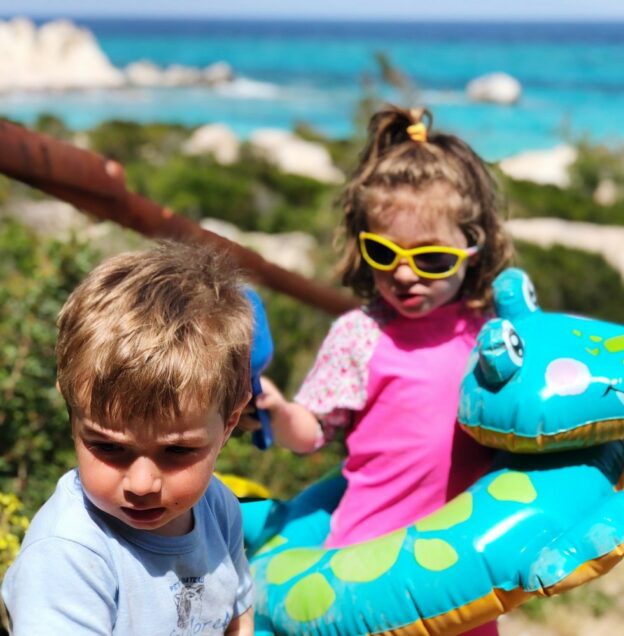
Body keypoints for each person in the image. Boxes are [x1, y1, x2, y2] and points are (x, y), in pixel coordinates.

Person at [245, 106, 511, 635]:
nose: (405, 273)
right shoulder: (360, 335)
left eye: (431, 258)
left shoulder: (494, 331)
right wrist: (279, 411)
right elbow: (311, 433)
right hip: (368, 561)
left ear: (473, 249)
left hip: (462, 566)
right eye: (384, 253)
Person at [1, 242, 255, 635]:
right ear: (73, 415)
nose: (141, 484)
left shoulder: (217, 508)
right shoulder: (68, 554)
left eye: (177, 450)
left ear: (229, 424)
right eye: (109, 447)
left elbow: (238, 616)